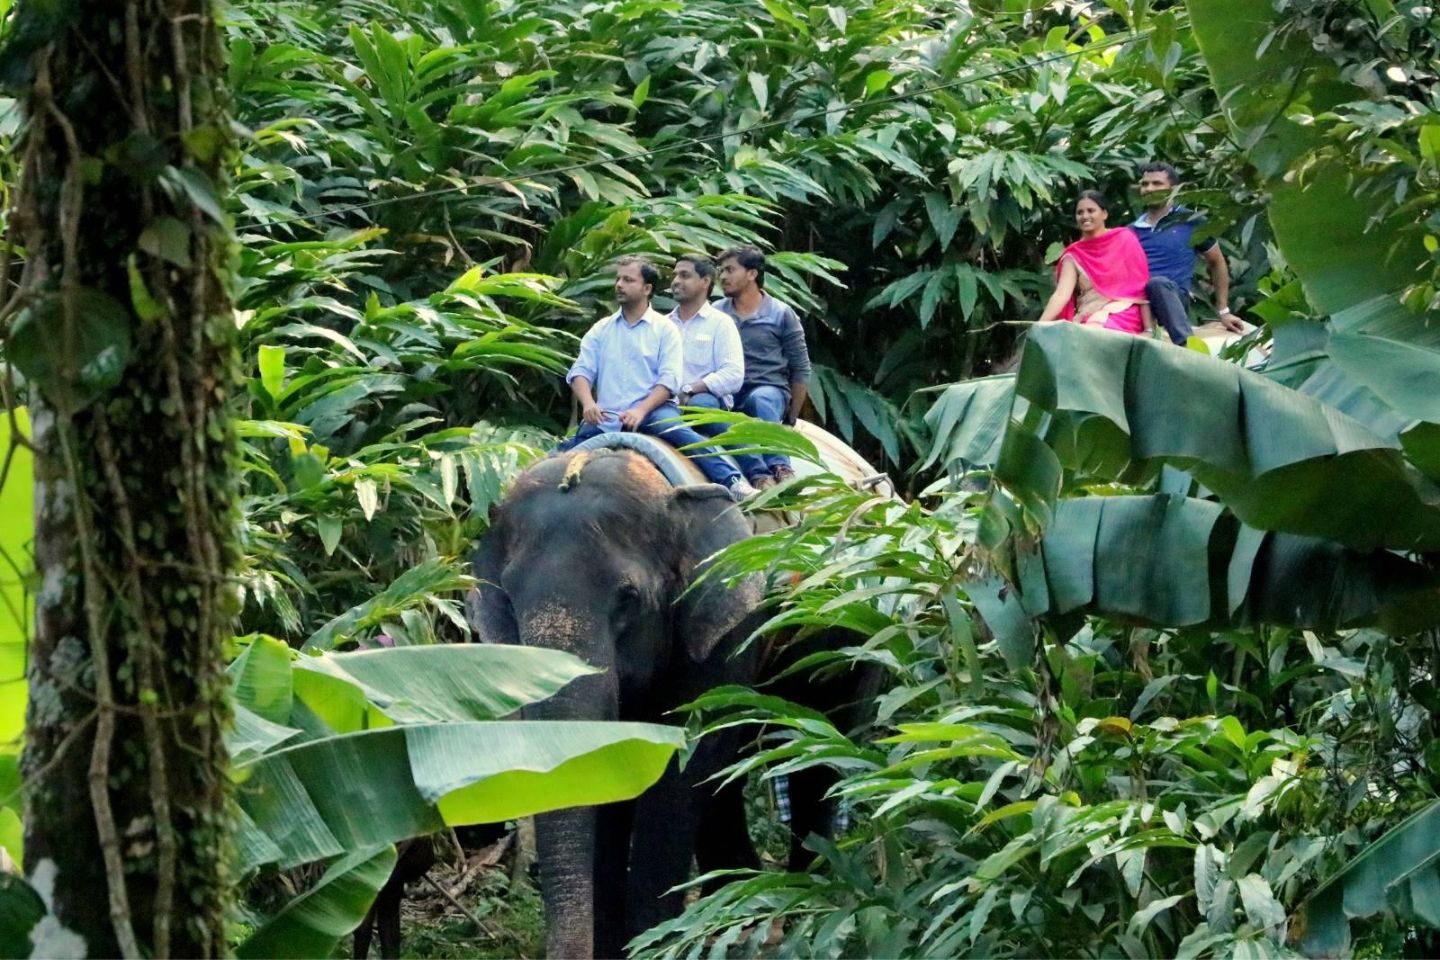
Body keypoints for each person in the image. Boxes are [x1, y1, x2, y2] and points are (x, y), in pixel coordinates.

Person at [559, 256, 755, 500]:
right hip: (607, 415)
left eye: (628, 280)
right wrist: (588, 403)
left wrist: (640, 411)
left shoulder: (665, 329)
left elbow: (669, 381)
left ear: (647, 289)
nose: (619, 284)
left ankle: (733, 482)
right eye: (619, 279)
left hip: (653, 412)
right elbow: (581, 371)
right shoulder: (601, 328)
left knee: (683, 435)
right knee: (557, 458)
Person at [715, 245, 812, 489]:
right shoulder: (715, 314)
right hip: (726, 392)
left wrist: (790, 420)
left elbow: (800, 367)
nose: (723, 276)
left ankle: (780, 466)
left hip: (767, 390)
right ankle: (755, 474)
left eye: (730, 269)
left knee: (761, 399)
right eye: (721, 270)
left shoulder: (781, 313)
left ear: (752, 274)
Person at [1130, 161, 1244, 344]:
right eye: (1145, 184)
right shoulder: (1130, 231)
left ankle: (1187, 347)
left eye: (1157, 184)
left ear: (1173, 189)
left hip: (1173, 297)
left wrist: (1224, 311)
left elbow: (1217, 262)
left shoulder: (1190, 221)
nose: (1149, 189)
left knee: (1157, 283)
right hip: (1138, 304)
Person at [1037, 190, 1153, 335]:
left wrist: (1149, 329)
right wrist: (1039, 326)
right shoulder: (1074, 254)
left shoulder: (1125, 239)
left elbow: (1140, 288)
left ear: (1104, 214)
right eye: (1080, 212)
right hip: (1089, 313)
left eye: (1091, 210)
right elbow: (1061, 295)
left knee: (1095, 330)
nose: (1085, 216)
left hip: (1125, 312)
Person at [668, 254, 745, 412]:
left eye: (684, 275)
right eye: (675, 275)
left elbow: (733, 374)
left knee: (700, 405)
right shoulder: (662, 324)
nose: (675, 281)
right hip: (664, 400)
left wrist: (690, 389)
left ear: (705, 282)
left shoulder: (720, 323)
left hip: (706, 399)